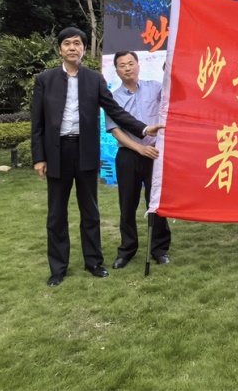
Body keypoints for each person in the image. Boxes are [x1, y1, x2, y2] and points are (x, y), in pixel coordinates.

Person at [31, 28, 163, 288]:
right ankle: (58, 268)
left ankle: (93, 262)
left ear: (83, 49)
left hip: (85, 151)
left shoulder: (94, 79)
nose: (72, 47)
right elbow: (37, 122)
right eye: (67, 43)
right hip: (57, 152)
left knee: (90, 211)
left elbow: (115, 110)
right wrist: (39, 158)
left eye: (77, 43)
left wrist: (143, 129)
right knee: (56, 213)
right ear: (60, 49)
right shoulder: (44, 79)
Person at [105, 51, 171, 270]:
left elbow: (171, 92)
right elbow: (115, 131)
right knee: (127, 204)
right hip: (129, 154)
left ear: (138, 65)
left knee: (156, 202)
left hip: (155, 154)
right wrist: (139, 149)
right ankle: (127, 249)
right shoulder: (113, 98)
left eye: (131, 63)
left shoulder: (154, 88)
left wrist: (169, 67)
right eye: (122, 65)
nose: (127, 68)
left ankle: (159, 249)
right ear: (116, 70)